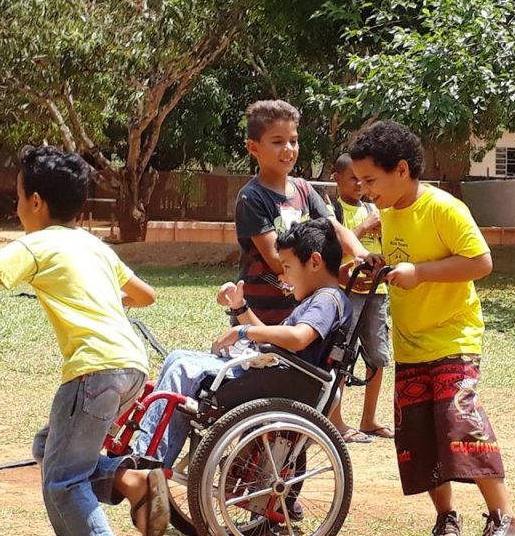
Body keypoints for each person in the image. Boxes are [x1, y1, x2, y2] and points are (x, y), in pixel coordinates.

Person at [0, 146, 166, 536]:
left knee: (64, 481)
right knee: (49, 450)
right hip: (130, 369)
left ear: (36, 202)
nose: (18, 207)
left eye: (18, 197)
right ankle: (128, 481)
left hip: (92, 373)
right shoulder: (93, 246)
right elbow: (146, 296)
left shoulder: (34, 245)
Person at [348, 121, 515, 536]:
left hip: (454, 336)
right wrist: (381, 263)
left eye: (371, 180)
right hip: (411, 342)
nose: (365, 189)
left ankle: (506, 519)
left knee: (459, 420)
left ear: (402, 170)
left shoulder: (443, 208)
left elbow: (481, 261)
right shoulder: (388, 213)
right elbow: (401, 260)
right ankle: (447, 519)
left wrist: (420, 274)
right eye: (360, 181)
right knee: (420, 432)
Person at [134, 218, 352, 467]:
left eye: (288, 266)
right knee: (177, 358)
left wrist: (243, 332)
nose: (285, 276)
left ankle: (148, 461)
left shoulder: (327, 299)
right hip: (277, 373)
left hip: (284, 380)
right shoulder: (317, 299)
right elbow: (272, 336)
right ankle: (150, 455)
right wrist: (240, 307)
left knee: (182, 368)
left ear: (314, 261)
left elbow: (298, 338)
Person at [234, 100, 368, 325]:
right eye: (278, 142)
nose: (288, 149)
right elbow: (278, 260)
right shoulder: (251, 198)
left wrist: (360, 253)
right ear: (253, 148)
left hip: (302, 313)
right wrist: (331, 275)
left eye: (293, 141)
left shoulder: (304, 189)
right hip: (262, 316)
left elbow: (334, 228)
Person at [326, 152, 394, 443]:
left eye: (362, 179)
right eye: (352, 178)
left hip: (376, 293)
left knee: (377, 356)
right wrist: (365, 226)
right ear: (336, 179)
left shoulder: (373, 208)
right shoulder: (333, 211)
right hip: (346, 294)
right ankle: (336, 420)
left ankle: (369, 418)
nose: (358, 184)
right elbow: (331, 246)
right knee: (340, 356)